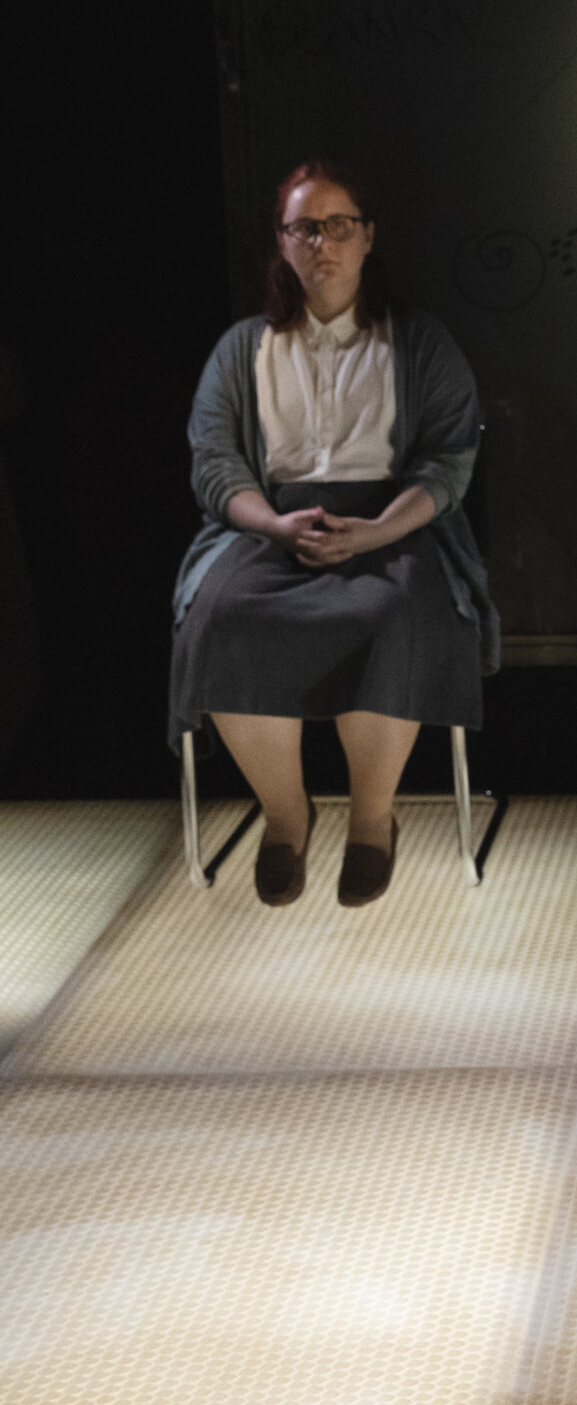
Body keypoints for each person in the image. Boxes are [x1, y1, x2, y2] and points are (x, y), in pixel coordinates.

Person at [170, 160, 499, 908]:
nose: (322, 242)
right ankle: (286, 816)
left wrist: (378, 530)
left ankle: (372, 820)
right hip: (272, 523)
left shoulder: (419, 342)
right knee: (219, 615)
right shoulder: (242, 348)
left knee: (394, 611)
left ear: (367, 236)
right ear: (282, 242)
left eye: (338, 225)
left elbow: (449, 460)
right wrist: (272, 523)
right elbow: (215, 461)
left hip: (389, 521)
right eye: (304, 228)